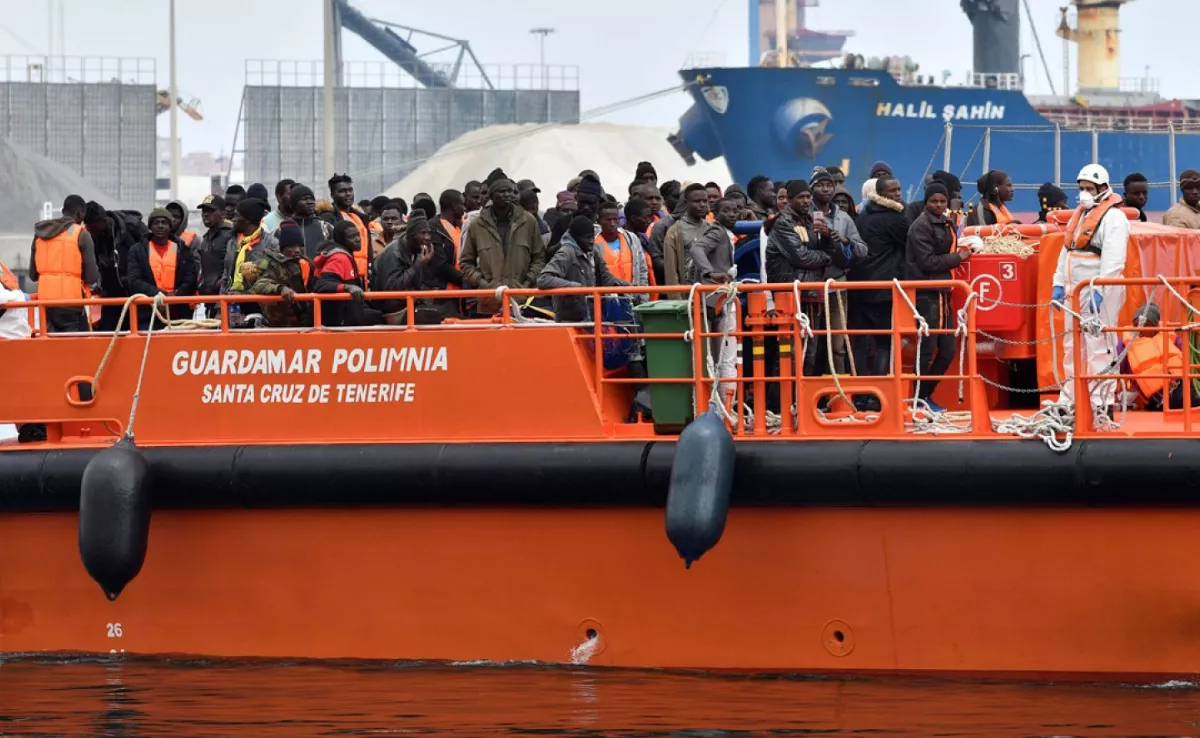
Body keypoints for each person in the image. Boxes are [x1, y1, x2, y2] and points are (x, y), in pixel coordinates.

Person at [1051, 164, 1130, 409]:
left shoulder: (1114, 218)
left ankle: (1101, 400)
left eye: (1089, 188)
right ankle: (1070, 397)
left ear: (1103, 188)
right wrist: (1057, 283)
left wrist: (1100, 289)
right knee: (1071, 345)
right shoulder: (1081, 215)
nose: (1084, 193)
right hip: (1073, 289)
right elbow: (1066, 251)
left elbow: (1114, 260)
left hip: (1098, 289)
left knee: (1100, 345)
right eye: (1081, 188)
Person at [766, 179, 849, 376]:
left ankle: (804, 400)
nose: (805, 201)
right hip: (790, 293)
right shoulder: (782, 223)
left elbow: (830, 251)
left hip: (811, 291)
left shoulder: (813, 220)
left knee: (811, 350)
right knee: (792, 351)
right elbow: (801, 257)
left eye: (807, 197)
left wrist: (829, 236)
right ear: (791, 200)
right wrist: (826, 258)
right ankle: (781, 403)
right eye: (800, 197)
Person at [905, 183, 972, 411]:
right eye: (934, 201)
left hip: (942, 292)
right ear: (926, 202)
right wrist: (959, 257)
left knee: (948, 350)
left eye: (942, 201)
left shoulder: (946, 222)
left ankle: (923, 396)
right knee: (927, 348)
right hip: (927, 293)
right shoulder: (921, 226)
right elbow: (927, 262)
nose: (939, 205)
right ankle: (916, 399)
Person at [459, 178, 545, 315]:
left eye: (511, 191)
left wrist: (527, 283)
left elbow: (539, 257)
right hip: (489, 302)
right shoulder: (477, 225)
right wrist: (483, 284)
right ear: (491, 196)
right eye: (502, 191)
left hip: (521, 303)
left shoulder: (528, 222)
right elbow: (465, 262)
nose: (507, 195)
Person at [851, 175, 909, 378]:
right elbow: (909, 243)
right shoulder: (894, 218)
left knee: (861, 342)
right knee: (885, 343)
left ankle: (858, 394)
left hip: (859, 288)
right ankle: (876, 396)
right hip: (883, 289)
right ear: (882, 193)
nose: (898, 194)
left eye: (899, 189)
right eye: (894, 191)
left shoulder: (863, 216)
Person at [811, 167, 867, 375]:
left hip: (837, 286)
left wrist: (847, 241)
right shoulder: (802, 214)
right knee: (810, 345)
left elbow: (862, 250)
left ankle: (839, 397)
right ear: (812, 188)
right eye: (820, 185)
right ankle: (808, 397)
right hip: (809, 287)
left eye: (829, 185)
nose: (825, 189)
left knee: (837, 346)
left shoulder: (844, 218)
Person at [689, 198, 741, 397]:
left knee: (718, 359)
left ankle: (723, 408)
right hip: (715, 301)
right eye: (726, 211)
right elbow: (697, 249)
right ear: (716, 214)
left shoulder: (726, 234)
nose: (732, 214)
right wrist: (710, 273)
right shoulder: (717, 232)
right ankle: (725, 409)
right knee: (725, 360)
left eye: (735, 210)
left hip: (719, 300)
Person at [537, 215, 629, 323]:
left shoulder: (594, 251)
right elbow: (543, 279)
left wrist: (626, 286)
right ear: (575, 238)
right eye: (586, 238)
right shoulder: (566, 253)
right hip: (571, 320)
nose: (591, 241)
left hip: (594, 317)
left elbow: (606, 278)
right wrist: (576, 288)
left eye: (592, 237)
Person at [29, 196, 100, 333]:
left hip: (45, 305)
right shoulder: (81, 234)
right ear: (80, 213)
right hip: (71, 306)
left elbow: (33, 274)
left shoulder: (40, 235)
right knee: (77, 350)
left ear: (63, 211)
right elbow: (91, 277)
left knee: (50, 349)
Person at [378, 213, 462, 325]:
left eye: (428, 233)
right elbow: (392, 289)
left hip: (411, 304)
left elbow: (417, 285)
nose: (427, 237)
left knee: (450, 309)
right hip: (396, 311)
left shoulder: (416, 251)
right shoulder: (394, 253)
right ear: (410, 235)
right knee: (446, 318)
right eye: (423, 233)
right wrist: (418, 265)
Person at [1121, 302, 1200, 411]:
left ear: (1155, 327)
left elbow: (1187, 355)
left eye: (1146, 325)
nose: (1140, 329)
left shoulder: (1169, 336)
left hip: (1182, 385)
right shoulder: (1125, 344)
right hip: (1158, 399)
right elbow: (1115, 367)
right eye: (1136, 324)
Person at [126, 207, 198, 324]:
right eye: (156, 223)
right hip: (147, 312)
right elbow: (134, 281)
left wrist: (176, 295)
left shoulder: (183, 249)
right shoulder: (137, 250)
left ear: (170, 227)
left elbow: (190, 279)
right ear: (150, 226)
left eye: (164, 223)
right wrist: (161, 295)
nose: (160, 226)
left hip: (178, 311)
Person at [84, 200, 146, 331]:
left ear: (103, 220)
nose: (90, 230)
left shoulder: (131, 227)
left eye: (92, 227)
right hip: (110, 294)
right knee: (108, 332)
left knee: (137, 331)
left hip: (134, 292)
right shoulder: (92, 237)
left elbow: (150, 252)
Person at [247, 220, 313, 328]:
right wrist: (280, 289)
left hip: (306, 322)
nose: (297, 250)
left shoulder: (307, 263)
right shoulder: (272, 264)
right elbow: (260, 285)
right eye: (291, 246)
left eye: (299, 246)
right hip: (281, 323)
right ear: (282, 249)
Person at [313, 220, 369, 327]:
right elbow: (322, 284)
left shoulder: (346, 255)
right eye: (352, 237)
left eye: (358, 235)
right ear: (342, 240)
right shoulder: (339, 258)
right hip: (335, 323)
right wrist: (348, 287)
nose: (358, 240)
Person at [325, 174, 373, 287]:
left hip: (364, 277)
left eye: (350, 190)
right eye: (342, 191)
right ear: (332, 195)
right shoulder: (328, 217)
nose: (348, 194)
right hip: (342, 277)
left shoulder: (361, 218)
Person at [597, 202, 654, 296]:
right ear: (599, 221)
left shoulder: (631, 239)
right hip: (606, 301)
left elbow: (642, 271)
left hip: (632, 298)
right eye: (607, 220)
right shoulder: (594, 244)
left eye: (615, 219)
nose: (612, 224)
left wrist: (643, 298)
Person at [225, 198, 279, 295]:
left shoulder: (271, 244)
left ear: (247, 220)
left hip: (257, 304)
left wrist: (243, 296)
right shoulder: (232, 242)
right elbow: (226, 276)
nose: (233, 219)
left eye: (236, 215)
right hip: (230, 302)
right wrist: (220, 305)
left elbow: (271, 279)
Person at [662, 183, 712, 285]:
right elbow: (671, 273)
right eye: (697, 201)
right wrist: (677, 300)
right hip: (687, 295)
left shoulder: (711, 229)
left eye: (705, 201)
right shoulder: (675, 232)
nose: (702, 204)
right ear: (686, 203)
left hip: (709, 293)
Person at [195, 195, 235, 317]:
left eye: (211, 211)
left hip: (225, 299)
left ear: (222, 214)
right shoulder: (206, 238)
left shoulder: (230, 235)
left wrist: (220, 283)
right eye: (204, 211)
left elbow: (233, 266)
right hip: (209, 299)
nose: (205, 215)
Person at [287, 184, 333, 258]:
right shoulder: (284, 229)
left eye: (311, 199)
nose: (310, 202)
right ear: (294, 204)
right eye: (304, 199)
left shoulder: (326, 227)